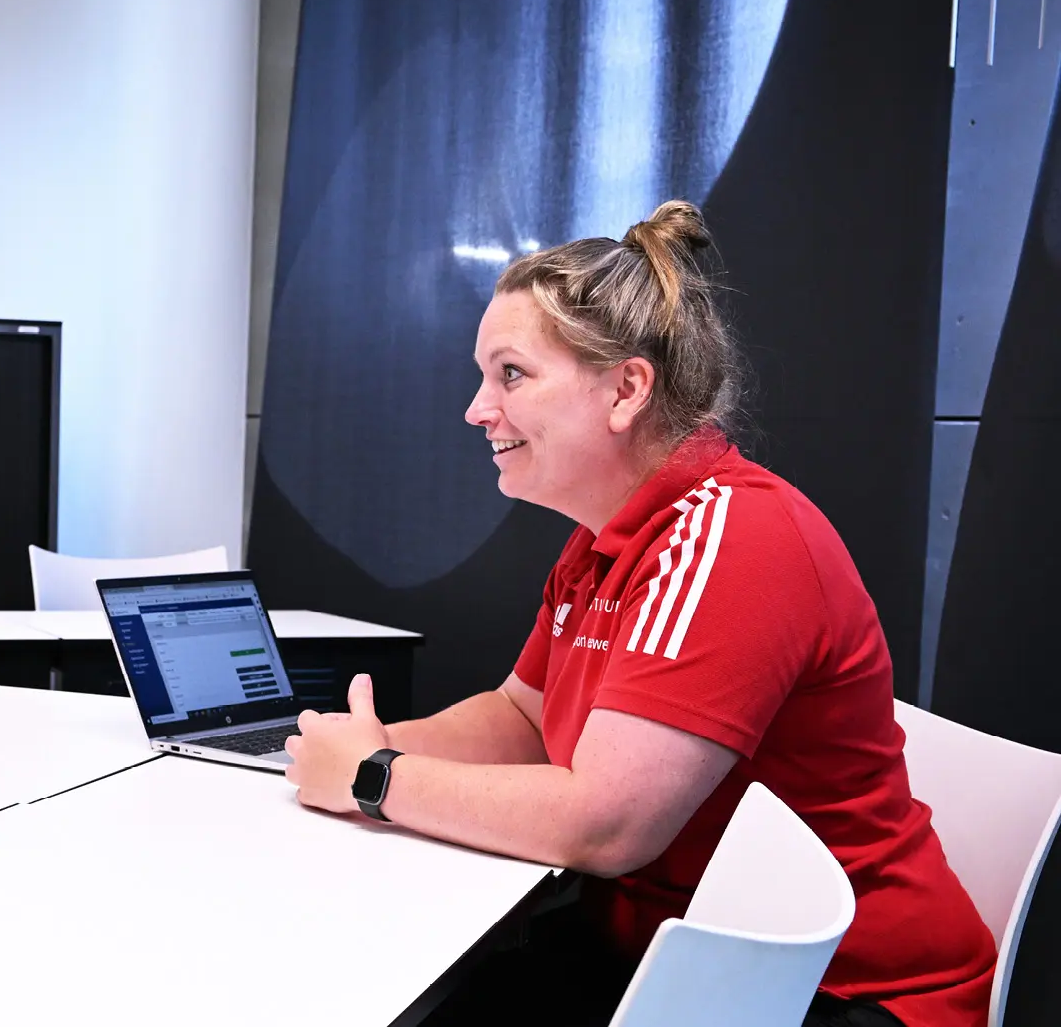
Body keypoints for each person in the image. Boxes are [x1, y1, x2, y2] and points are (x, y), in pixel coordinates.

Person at [282, 202, 995, 1026]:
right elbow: (522, 718)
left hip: (830, 993)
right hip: (671, 951)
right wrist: (358, 747)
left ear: (626, 390)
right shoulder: (603, 541)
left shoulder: (735, 538)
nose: (478, 409)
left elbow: (608, 825)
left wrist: (375, 778)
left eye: (510, 375)